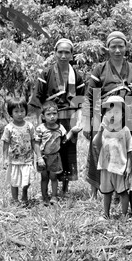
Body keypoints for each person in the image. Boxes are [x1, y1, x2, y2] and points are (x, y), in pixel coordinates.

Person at [82, 31, 132, 199]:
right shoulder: (100, 69)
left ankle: (120, 190)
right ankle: (95, 191)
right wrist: (89, 123)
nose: (117, 50)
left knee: (122, 152)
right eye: (113, 46)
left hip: (127, 119)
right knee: (98, 150)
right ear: (107, 48)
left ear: (126, 47)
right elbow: (90, 97)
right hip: (103, 117)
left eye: (121, 46)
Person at [29, 38, 84, 194]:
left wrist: (78, 122)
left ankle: (64, 189)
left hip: (68, 119)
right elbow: (38, 98)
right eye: (60, 52)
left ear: (72, 55)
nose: (63, 56)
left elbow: (80, 101)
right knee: (48, 151)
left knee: (67, 151)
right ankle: (46, 190)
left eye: (67, 52)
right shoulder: (45, 73)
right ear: (54, 53)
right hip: (49, 118)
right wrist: (40, 123)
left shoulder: (77, 76)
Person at [92, 96, 132, 220]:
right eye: (109, 112)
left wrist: (129, 166)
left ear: (122, 115)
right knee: (106, 192)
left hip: (120, 167)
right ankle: (105, 214)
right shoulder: (104, 131)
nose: (113, 115)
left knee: (122, 192)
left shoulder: (125, 131)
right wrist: (100, 131)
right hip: (106, 166)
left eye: (116, 112)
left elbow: (130, 149)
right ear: (105, 115)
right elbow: (96, 144)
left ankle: (124, 214)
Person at [34, 101, 82, 206]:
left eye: (54, 114)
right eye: (48, 114)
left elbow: (64, 140)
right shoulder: (40, 128)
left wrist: (73, 132)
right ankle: (44, 196)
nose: (52, 117)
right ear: (43, 116)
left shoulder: (60, 128)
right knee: (44, 178)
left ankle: (54, 196)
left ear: (58, 114)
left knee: (53, 177)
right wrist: (39, 158)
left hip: (55, 157)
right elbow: (36, 143)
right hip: (43, 157)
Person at [2, 98, 36, 205]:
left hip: (27, 158)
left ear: (26, 111)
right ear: (11, 113)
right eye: (16, 111)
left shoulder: (29, 126)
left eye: (22, 111)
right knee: (14, 181)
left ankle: (24, 194)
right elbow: (6, 144)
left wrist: (38, 156)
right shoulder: (9, 128)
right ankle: (15, 199)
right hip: (14, 160)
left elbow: (34, 141)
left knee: (27, 180)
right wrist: (5, 159)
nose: (19, 114)